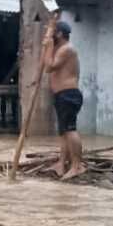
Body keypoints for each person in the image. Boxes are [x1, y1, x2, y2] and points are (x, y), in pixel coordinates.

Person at [44, 19, 85, 179]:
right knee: (63, 132)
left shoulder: (67, 50)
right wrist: (47, 46)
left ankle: (77, 166)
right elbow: (45, 61)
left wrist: (48, 46)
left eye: (53, 32)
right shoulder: (59, 49)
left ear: (59, 34)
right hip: (61, 95)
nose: (51, 35)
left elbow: (49, 67)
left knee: (69, 129)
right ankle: (62, 164)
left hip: (69, 95)